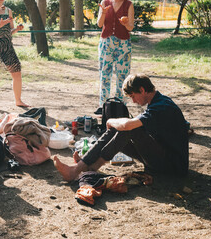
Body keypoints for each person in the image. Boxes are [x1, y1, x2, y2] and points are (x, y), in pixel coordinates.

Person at [54, 74, 189, 181]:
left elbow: (127, 125)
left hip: (172, 167)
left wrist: (112, 120)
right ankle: (87, 165)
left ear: (142, 90)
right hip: (160, 158)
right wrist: (115, 124)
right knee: (121, 129)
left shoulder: (161, 107)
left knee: (129, 128)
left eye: (133, 96)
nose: (134, 101)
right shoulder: (159, 101)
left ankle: (80, 169)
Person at [97, 0, 135, 106]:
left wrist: (125, 24)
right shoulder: (104, 3)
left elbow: (130, 27)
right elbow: (99, 24)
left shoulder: (128, 4)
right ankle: (103, 106)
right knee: (105, 74)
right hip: (106, 43)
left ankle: (120, 105)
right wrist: (103, 13)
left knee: (122, 76)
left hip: (123, 43)